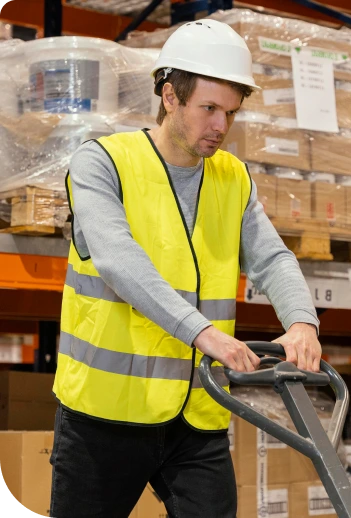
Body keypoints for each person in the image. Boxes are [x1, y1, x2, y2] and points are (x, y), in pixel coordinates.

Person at [50, 19, 321, 518]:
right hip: (106, 414)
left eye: (231, 113)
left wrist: (302, 321)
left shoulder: (232, 178)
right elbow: (119, 261)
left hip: (197, 415)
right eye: (209, 109)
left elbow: (272, 256)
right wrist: (205, 334)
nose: (220, 126)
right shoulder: (102, 164)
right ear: (170, 96)